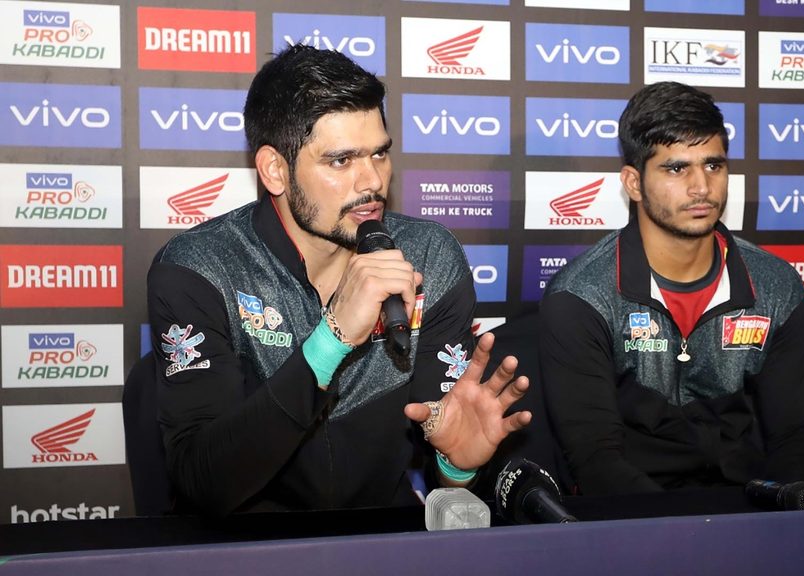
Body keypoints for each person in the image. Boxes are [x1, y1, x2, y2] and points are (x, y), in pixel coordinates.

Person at [147, 45, 531, 516]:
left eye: (380, 153)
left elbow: (444, 458)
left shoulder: (430, 256)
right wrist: (332, 338)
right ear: (275, 170)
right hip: (244, 549)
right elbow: (204, 483)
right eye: (340, 161)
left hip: (381, 539)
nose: (371, 181)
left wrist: (457, 468)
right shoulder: (199, 268)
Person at [538, 82, 804, 496]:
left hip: (745, 511)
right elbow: (596, 460)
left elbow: (795, 439)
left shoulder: (775, 286)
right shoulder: (581, 297)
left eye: (713, 165)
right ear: (633, 183)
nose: (701, 188)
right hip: (631, 522)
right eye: (676, 168)